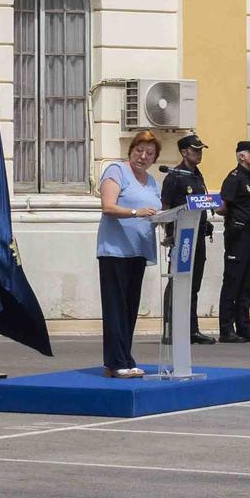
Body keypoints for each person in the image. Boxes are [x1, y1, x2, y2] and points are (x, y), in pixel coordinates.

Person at [97, 130, 162, 378]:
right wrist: (136, 213)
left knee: (129, 307)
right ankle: (114, 362)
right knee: (115, 307)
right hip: (115, 251)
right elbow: (108, 207)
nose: (143, 157)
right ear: (131, 150)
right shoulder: (117, 171)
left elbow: (155, 211)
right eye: (139, 151)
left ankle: (126, 356)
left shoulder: (153, 181)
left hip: (138, 252)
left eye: (149, 153)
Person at [159, 135, 213, 345]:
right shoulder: (175, 177)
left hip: (198, 235)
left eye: (201, 150)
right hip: (181, 237)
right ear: (184, 152)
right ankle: (171, 328)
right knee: (177, 282)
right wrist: (169, 234)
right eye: (195, 149)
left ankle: (191, 329)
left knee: (193, 285)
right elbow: (166, 208)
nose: (199, 153)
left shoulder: (197, 175)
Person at [217, 140, 250, 343]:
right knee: (233, 281)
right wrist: (236, 222)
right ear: (242, 156)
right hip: (238, 235)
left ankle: (244, 326)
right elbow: (222, 206)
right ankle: (226, 329)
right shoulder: (234, 178)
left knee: (247, 282)